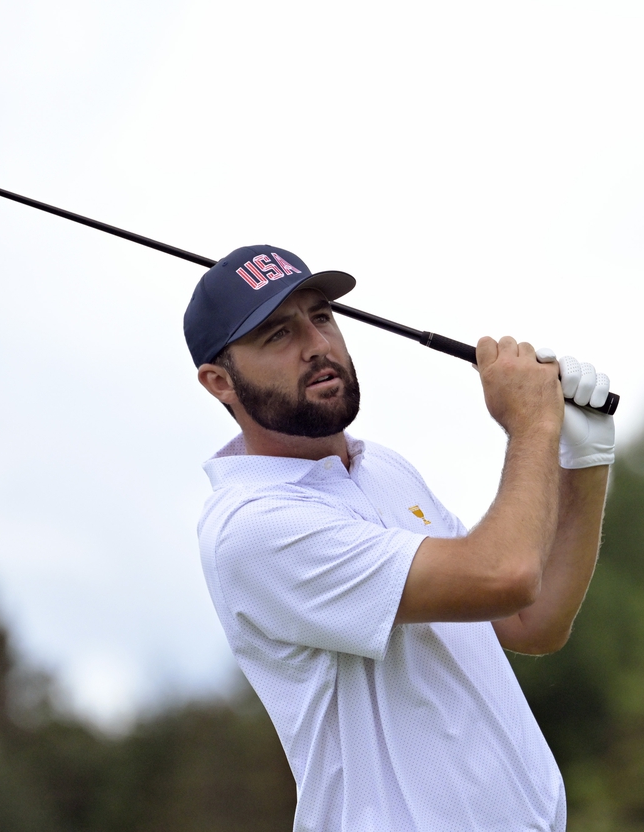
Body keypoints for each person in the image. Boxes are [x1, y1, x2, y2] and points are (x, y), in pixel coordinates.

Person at [183, 245, 614, 832]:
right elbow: (505, 574)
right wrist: (534, 423)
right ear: (218, 381)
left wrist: (582, 460)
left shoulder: (383, 467)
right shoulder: (252, 526)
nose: (317, 345)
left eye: (322, 316)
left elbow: (531, 621)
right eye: (276, 335)